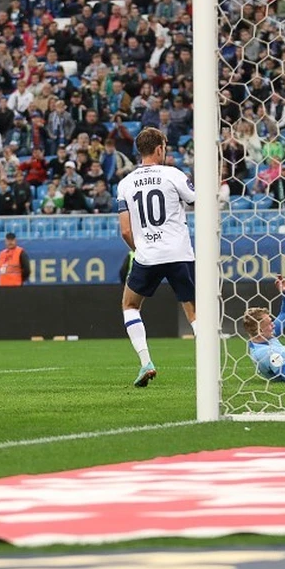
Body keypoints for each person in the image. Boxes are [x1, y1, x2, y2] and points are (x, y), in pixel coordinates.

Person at [116, 128, 196, 387]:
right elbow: (197, 201)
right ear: (160, 148)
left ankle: (146, 362)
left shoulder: (125, 183)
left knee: (130, 305)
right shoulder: (174, 174)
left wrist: (139, 250)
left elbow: (125, 230)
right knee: (194, 313)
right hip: (179, 253)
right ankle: (210, 369)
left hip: (147, 255)